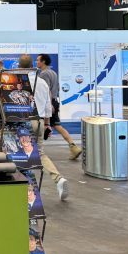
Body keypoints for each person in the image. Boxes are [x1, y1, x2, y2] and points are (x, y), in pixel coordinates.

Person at [19, 54, 69, 201]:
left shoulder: (19, 82)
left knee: (19, 155)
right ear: (32, 65)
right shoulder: (42, 82)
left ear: (19, 66)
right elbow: (48, 107)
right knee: (40, 154)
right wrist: (47, 124)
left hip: (24, 122)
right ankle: (58, 179)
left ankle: (26, 191)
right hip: (40, 121)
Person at [36, 54, 82, 160]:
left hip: (49, 103)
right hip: (54, 102)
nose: (36, 62)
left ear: (43, 61)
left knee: (41, 125)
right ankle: (73, 146)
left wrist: (48, 105)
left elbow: (46, 90)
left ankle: (36, 152)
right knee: (57, 126)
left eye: (38, 60)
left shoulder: (43, 74)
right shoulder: (53, 73)